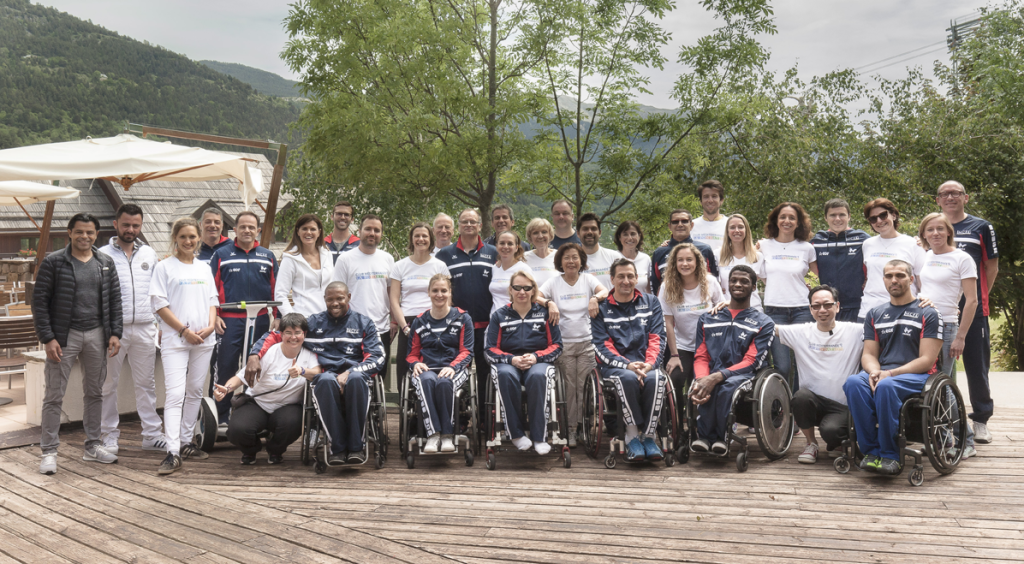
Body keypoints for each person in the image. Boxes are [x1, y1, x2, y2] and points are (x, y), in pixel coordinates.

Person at [247, 282, 385, 464]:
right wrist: (254, 355)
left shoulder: (364, 323)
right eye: (330, 299)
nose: (335, 303)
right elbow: (277, 335)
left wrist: (350, 372)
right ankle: (337, 447)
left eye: (340, 298)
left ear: (349, 297)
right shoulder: (312, 323)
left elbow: (378, 357)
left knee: (357, 378)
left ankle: (356, 447)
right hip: (325, 376)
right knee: (325, 380)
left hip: (356, 376)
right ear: (325, 300)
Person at [33, 213, 123, 475]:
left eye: (90, 232)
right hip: (63, 337)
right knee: (54, 396)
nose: (85, 236)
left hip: (97, 334)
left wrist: (115, 333)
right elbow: (39, 303)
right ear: (69, 233)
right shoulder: (54, 262)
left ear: (97, 234)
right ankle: (49, 452)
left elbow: (115, 301)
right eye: (80, 232)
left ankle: (93, 446)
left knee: (95, 392)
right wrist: (48, 338)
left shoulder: (104, 262)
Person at [843, 260, 943, 476]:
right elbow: (869, 354)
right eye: (889, 276)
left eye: (900, 275)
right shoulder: (875, 314)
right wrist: (873, 372)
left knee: (886, 386)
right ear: (883, 280)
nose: (894, 280)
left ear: (911, 279)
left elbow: (927, 360)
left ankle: (891, 455)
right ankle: (870, 452)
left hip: (918, 376)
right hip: (884, 373)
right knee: (853, 383)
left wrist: (889, 374)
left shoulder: (929, 313)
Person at [150, 217, 219, 475]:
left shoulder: (203, 268)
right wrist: (183, 330)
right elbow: (159, 305)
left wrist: (211, 325)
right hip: (176, 340)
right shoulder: (164, 267)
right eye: (183, 237)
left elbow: (212, 300)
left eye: (192, 237)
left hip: (204, 339)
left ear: (198, 238)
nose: (188, 241)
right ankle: (172, 451)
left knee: (194, 391)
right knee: (175, 394)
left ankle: (187, 442)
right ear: (175, 239)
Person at [936, 180, 999, 444]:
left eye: (956, 193)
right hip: (940, 309)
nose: (951, 197)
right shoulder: (934, 228)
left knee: (976, 364)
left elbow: (991, 267)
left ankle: (981, 419)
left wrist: (977, 298)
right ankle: (945, 418)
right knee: (939, 366)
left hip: (972, 307)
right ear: (937, 200)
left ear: (966, 198)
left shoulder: (981, 227)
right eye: (945, 194)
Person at [98, 204, 164, 455]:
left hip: (146, 327)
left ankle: (151, 434)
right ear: (116, 224)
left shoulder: (149, 253)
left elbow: (158, 293)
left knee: (146, 384)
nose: (131, 229)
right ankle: (109, 435)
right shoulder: (102, 254)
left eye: (136, 225)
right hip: (114, 331)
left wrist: (159, 324)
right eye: (126, 224)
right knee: (107, 385)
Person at [689, 265, 774, 454]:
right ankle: (703, 437)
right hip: (711, 372)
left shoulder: (764, 322)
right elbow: (701, 355)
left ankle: (720, 438)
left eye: (744, 281)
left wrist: (717, 377)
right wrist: (703, 378)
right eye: (734, 280)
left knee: (725, 386)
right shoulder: (708, 318)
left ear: (753, 287)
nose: (738, 284)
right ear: (727, 285)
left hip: (743, 375)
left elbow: (752, 361)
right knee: (702, 384)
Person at [216, 313, 320, 465]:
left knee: (294, 422)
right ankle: (250, 451)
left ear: (304, 334)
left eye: (297, 333)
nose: (293, 337)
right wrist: (226, 388)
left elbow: (317, 372)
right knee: (237, 430)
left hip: (287, 407)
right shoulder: (270, 352)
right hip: (258, 403)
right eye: (288, 333)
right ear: (281, 334)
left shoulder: (309, 354)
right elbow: (240, 378)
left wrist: (302, 371)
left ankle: (275, 450)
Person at [592, 258, 668, 462]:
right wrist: (627, 365)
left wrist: (649, 364)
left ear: (636, 278)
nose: (626, 281)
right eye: (621, 276)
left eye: (630, 276)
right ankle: (632, 436)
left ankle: (649, 437)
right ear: (612, 279)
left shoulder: (651, 301)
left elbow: (657, 337)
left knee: (657, 378)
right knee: (627, 378)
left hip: (646, 363)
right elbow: (601, 346)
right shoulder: (601, 308)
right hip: (616, 366)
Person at [778, 285, 861, 464]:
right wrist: (729, 304)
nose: (822, 310)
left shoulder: (855, 331)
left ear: (837, 306)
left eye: (827, 305)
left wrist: (925, 304)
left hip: (842, 406)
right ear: (810, 309)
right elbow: (767, 327)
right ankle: (811, 443)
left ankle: (836, 441)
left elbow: (887, 326)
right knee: (799, 397)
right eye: (816, 306)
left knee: (831, 431)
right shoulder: (800, 332)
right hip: (812, 403)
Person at [210, 211, 279, 424]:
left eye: (251, 227)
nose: (247, 230)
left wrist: (277, 317)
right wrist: (215, 316)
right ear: (235, 230)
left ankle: (251, 414)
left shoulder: (268, 256)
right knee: (226, 367)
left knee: (256, 366)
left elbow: (277, 288)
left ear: (257, 230)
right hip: (228, 321)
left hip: (259, 320)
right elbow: (210, 289)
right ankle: (221, 417)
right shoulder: (221, 255)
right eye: (242, 227)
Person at [918, 212, 978, 456]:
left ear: (949, 232)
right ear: (923, 234)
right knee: (930, 385)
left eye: (940, 229)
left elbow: (972, 301)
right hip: (925, 325)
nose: (935, 234)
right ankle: (943, 439)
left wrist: (960, 337)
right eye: (930, 230)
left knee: (943, 387)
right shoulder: (926, 256)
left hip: (948, 327)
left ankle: (967, 441)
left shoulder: (962, 258)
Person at [485, 271, 563, 455]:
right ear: (510, 290)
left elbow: (557, 345)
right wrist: (511, 359)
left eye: (527, 288)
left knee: (538, 376)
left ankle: (539, 437)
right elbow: (490, 349)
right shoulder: (499, 316)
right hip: (508, 361)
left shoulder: (544, 314)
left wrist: (537, 356)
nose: (522, 292)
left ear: (533, 290)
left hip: (537, 361)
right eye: (517, 287)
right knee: (504, 374)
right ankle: (516, 434)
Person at [540, 243, 608, 448]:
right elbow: (536, 295)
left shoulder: (588, 279)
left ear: (581, 261)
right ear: (560, 261)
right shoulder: (553, 282)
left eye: (575, 257)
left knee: (585, 388)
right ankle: (569, 430)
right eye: (567, 257)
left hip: (587, 342)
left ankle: (584, 427)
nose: (571, 261)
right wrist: (549, 303)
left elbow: (605, 290)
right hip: (564, 344)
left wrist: (595, 298)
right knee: (568, 390)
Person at [435, 209, 498, 421]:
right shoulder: (444, 255)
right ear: (458, 226)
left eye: (473, 221)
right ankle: (459, 420)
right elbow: (440, 290)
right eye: (464, 222)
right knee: (456, 373)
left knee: (485, 374)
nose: (468, 225)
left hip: (487, 326)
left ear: (480, 226)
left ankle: (484, 420)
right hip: (456, 327)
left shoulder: (494, 252)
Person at [406, 274, 474, 453]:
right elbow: (411, 354)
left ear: (450, 292)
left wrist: (452, 367)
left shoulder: (463, 318)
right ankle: (433, 435)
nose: (439, 294)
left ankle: (447, 436)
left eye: (444, 291)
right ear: (428, 292)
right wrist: (415, 364)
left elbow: (466, 351)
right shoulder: (419, 321)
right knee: (427, 380)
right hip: (427, 368)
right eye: (435, 290)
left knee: (444, 383)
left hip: (453, 368)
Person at [758, 202, 818, 391]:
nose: (787, 221)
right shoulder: (763, 246)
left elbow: (816, 279)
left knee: (803, 365)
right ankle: (782, 407)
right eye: (783, 217)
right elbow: (760, 274)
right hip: (775, 311)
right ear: (775, 220)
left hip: (802, 310)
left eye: (792, 217)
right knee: (783, 366)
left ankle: (798, 411)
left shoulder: (807, 248)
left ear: (799, 222)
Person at [333, 214, 396, 390]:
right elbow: (337, 295)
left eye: (377, 230)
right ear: (359, 231)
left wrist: (394, 321)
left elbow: (392, 293)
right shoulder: (345, 259)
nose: (372, 233)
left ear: (381, 234)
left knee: (378, 379)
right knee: (351, 377)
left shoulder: (388, 259)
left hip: (380, 328)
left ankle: (375, 416)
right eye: (368, 228)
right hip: (352, 329)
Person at [660, 243, 724, 407]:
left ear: (697, 262)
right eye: (680, 260)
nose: (685, 264)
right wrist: (674, 355)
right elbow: (667, 322)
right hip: (683, 346)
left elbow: (723, 309)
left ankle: (698, 425)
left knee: (702, 384)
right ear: (674, 263)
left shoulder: (710, 281)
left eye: (689, 259)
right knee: (674, 380)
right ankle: (680, 426)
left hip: (709, 346)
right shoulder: (667, 287)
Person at [390, 223, 450, 384]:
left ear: (430, 239)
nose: (421, 239)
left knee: (431, 364)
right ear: (411, 239)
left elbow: (447, 297)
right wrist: (404, 327)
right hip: (408, 321)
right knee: (404, 364)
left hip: (434, 320)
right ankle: (404, 407)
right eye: (417, 236)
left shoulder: (440, 266)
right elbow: (394, 300)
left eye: (424, 236)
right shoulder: (399, 266)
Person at [858, 198, 925, 320]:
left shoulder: (913, 244)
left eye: (883, 215)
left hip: (904, 311)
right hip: (869, 310)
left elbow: (923, 282)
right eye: (873, 219)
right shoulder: (867, 244)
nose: (879, 221)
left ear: (893, 215)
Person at [811, 199, 869, 322]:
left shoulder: (862, 238)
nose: (837, 219)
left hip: (857, 305)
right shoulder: (817, 240)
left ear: (849, 216)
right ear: (826, 218)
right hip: (827, 307)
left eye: (842, 214)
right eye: (832, 215)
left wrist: (918, 241)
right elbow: (797, 257)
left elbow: (886, 247)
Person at [650, 209, 718, 297]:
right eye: (675, 222)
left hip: (701, 305)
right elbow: (655, 285)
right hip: (670, 305)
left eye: (684, 221)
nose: (680, 224)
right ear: (670, 226)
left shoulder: (705, 250)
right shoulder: (659, 253)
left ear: (691, 225)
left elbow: (714, 280)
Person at [276, 214, 334, 317]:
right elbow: (280, 295)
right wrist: (293, 320)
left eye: (313, 229)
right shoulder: (290, 259)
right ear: (298, 231)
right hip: (304, 319)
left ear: (319, 232)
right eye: (304, 229)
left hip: (328, 319)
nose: (308, 232)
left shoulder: (327, 254)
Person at [717, 214, 764, 310]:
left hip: (753, 309)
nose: (737, 230)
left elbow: (771, 280)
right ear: (727, 231)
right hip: (727, 310)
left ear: (746, 230)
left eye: (741, 227)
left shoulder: (758, 256)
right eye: (732, 227)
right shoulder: (718, 255)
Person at [489, 230, 531, 315]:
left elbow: (532, 296)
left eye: (510, 244)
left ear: (516, 248)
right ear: (496, 246)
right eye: (502, 243)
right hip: (495, 321)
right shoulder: (495, 268)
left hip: (514, 320)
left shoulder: (523, 269)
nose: (505, 246)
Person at [577, 213, 623, 290]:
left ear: (600, 233)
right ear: (578, 233)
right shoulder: (571, 261)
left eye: (593, 229)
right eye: (585, 229)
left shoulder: (615, 257)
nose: (589, 232)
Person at [690, 180, 728, 256]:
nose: (710, 200)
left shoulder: (731, 225)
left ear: (721, 201)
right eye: (706, 197)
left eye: (714, 196)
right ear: (700, 201)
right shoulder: (691, 226)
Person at [613, 220, 651, 294]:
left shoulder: (646, 259)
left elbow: (648, 288)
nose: (630, 238)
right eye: (625, 234)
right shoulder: (613, 258)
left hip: (642, 304)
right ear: (619, 237)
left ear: (639, 236)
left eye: (633, 234)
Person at [522, 218, 559, 288]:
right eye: (535, 233)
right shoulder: (523, 258)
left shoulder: (559, 255)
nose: (540, 236)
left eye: (544, 232)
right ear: (530, 238)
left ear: (550, 235)